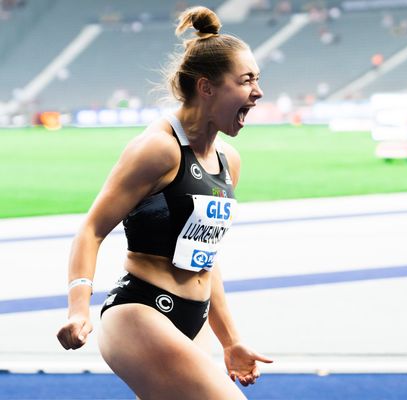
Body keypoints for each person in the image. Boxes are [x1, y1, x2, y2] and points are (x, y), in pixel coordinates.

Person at [56, 5, 272, 399]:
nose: (258, 93)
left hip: (196, 319)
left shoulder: (228, 161)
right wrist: (77, 309)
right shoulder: (158, 150)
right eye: (246, 81)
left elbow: (205, 258)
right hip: (141, 313)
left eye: (257, 80)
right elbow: (91, 229)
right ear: (207, 87)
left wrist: (230, 340)